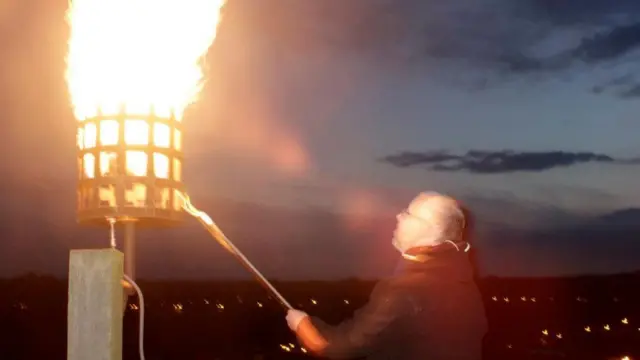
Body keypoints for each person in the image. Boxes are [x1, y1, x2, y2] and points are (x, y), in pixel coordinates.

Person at [285, 191, 488, 359]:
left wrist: (301, 324)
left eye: (409, 213)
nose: (399, 216)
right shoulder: (463, 283)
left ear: (432, 231)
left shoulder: (403, 291)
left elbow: (333, 347)